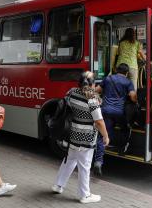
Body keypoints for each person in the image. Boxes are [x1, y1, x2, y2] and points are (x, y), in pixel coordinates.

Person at [52, 71, 109, 204]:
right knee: (84, 166)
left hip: (73, 134)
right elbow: (99, 122)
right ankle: (85, 195)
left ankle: (58, 185)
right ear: (93, 85)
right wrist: (106, 136)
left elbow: (68, 105)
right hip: (86, 138)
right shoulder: (92, 100)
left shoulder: (72, 93)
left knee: (69, 160)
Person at [93, 63, 137, 176]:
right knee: (125, 128)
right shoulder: (128, 82)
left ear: (116, 70)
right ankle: (122, 149)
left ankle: (98, 161)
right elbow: (133, 97)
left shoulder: (108, 78)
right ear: (127, 73)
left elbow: (97, 90)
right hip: (119, 112)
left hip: (106, 111)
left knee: (103, 135)